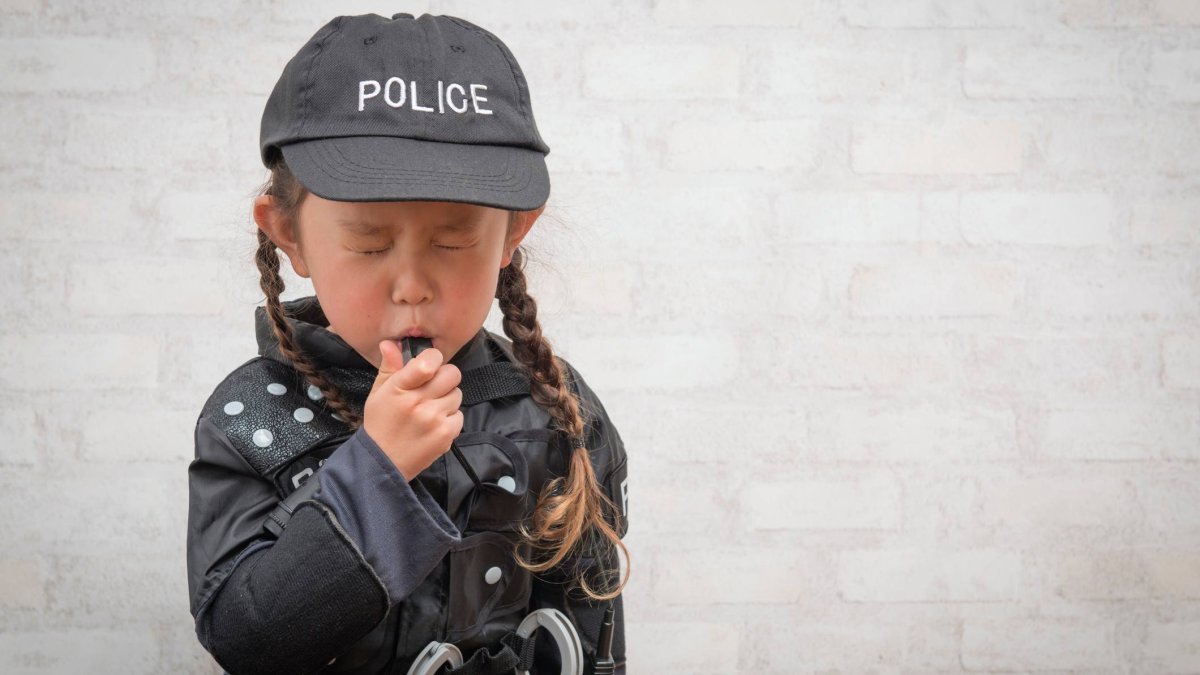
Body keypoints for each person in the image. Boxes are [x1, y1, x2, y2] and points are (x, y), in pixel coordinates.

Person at [185, 12, 630, 675]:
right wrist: (376, 473)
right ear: (287, 232)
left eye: (453, 240)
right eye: (368, 242)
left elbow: (591, 636)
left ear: (514, 233)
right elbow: (248, 641)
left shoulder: (557, 411)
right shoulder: (253, 418)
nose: (413, 285)